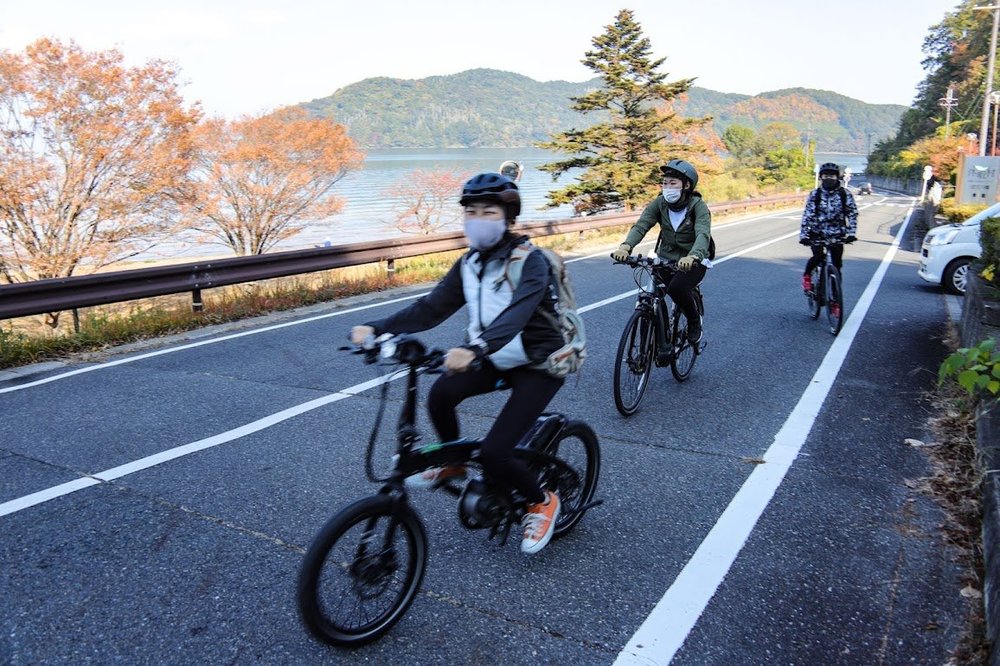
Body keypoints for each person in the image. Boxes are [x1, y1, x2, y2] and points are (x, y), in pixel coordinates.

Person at [350, 172, 565, 555]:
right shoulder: (469, 264)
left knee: (496, 452)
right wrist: (376, 328)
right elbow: (431, 308)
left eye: (488, 210)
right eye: (472, 211)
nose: (478, 218)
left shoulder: (530, 262)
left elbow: (515, 315)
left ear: (507, 216)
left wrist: (476, 349)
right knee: (441, 393)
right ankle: (454, 463)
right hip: (495, 356)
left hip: (539, 362)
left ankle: (542, 500)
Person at [611, 159, 712, 347]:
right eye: (665, 183)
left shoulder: (698, 206)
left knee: (676, 289)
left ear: (687, 185)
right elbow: (642, 225)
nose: (667, 188)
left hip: (694, 261)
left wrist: (693, 255)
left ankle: (693, 321)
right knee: (651, 297)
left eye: (673, 183)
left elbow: (703, 234)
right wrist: (626, 247)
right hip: (664, 259)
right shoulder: (659, 203)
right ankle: (658, 343)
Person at [800, 162, 858, 293]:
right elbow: (807, 215)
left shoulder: (844, 194)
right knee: (818, 257)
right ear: (821, 177)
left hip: (837, 234)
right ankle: (807, 276)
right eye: (826, 175)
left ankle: (835, 300)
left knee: (837, 266)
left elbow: (852, 214)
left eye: (832, 176)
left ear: (837, 177)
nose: (829, 178)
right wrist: (804, 236)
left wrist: (851, 233)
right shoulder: (815, 195)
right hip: (817, 233)